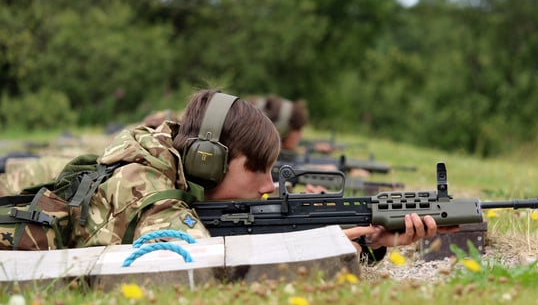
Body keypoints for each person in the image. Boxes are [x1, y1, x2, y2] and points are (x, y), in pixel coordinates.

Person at [38, 89, 446, 254]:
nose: (270, 185)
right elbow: (200, 268)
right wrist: (319, 245)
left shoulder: (176, 175)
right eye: (258, 169)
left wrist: (370, 241)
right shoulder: (145, 187)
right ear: (207, 162)